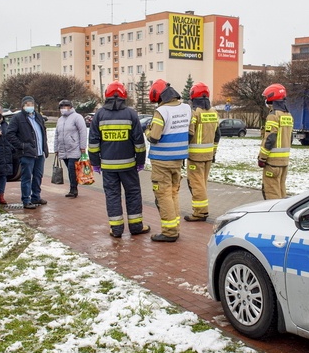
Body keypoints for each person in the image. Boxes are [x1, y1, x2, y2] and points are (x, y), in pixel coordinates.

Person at [87, 81, 151, 238]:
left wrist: (95, 163)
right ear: (124, 96)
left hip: (108, 167)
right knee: (133, 194)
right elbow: (139, 142)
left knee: (112, 195)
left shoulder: (99, 115)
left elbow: (93, 143)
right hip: (129, 165)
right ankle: (136, 227)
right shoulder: (131, 114)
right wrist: (140, 161)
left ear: (106, 96)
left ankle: (116, 229)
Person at [145, 79, 192, 242]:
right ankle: (175, 226)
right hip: (178, 160)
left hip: (161, 161)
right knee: (173, 193)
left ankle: (169, 232)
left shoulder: (162, 111)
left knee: (163, 195)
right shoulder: (186, 108)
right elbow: (190, 132)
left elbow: (154, 137)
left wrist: (147, 131)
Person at [184, 82, 220, 222]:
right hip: (208, 155)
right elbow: (218, 135)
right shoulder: (214, 112)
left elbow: (189, 133)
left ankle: (200, 212)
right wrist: (214, 153)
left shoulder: (195, 113)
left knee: (196, 183)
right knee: (202, 183)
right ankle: (202, 210)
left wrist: (182, 151)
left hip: (195, 155)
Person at [7, 95, 49, 209]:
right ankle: (26, 199)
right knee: (26, 177)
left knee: (38, 176)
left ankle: (36, 196)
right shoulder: (18, 118)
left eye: (31, 104)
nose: (30, 107)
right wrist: (22, 146)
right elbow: (10, 134)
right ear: (23, 106)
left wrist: (45, 148)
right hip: (27, 153)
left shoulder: (38, 116)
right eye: (27, 105)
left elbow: (43, 133)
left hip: (39, 153)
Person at [258, 83, 293, 199]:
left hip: (272, 162)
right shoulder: (288, 115)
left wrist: (262, 157)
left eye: (266, 97)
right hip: (284, 162)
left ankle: (273, 215)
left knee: (271, 192)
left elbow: (270, 138)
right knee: (281, 190)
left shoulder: (273, 116)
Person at [53, 99, 88, 198]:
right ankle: (74, 185)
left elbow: (83, 132)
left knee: (72, 169)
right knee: (70, 170)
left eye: (65, 107)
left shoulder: (77, 117)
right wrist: (56, 148)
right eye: (61, 107)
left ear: (70, 107)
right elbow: (57, 134)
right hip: (63, 149)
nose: (63, 109)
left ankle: (73, 189)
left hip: (74, 148)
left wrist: (82, 147)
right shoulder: (60, 119)